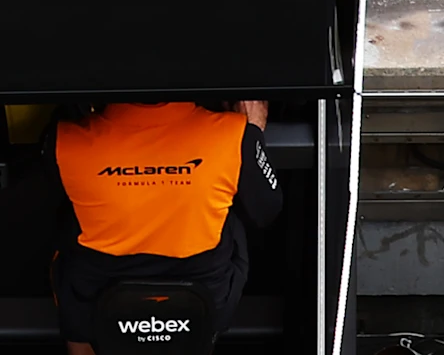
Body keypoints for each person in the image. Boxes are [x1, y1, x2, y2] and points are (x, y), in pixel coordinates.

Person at [50, 102, 279, 355]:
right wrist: (253, 134)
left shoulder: (65, 140)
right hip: (204, 305)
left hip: (95, 307)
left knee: (68, 231)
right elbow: (266, 211)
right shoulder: (235, 135)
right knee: (232, 215)